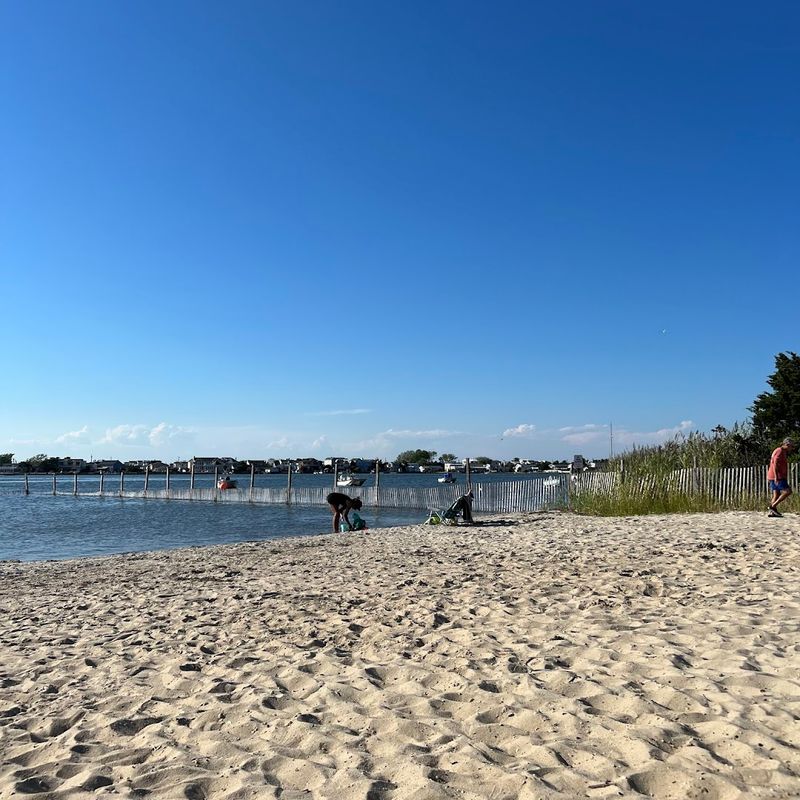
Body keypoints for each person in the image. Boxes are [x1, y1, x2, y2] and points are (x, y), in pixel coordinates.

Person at [768, 437, 795, 517]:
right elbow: (775, 464)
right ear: (787, 444)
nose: (792, 448)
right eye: (791, 446)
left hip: (773, 475)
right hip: (777, 476)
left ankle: (772, 512)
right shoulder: (779, 451)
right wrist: (776, 476)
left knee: (776, 494)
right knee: (788, 491)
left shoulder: (781, 451)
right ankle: (772, 507)